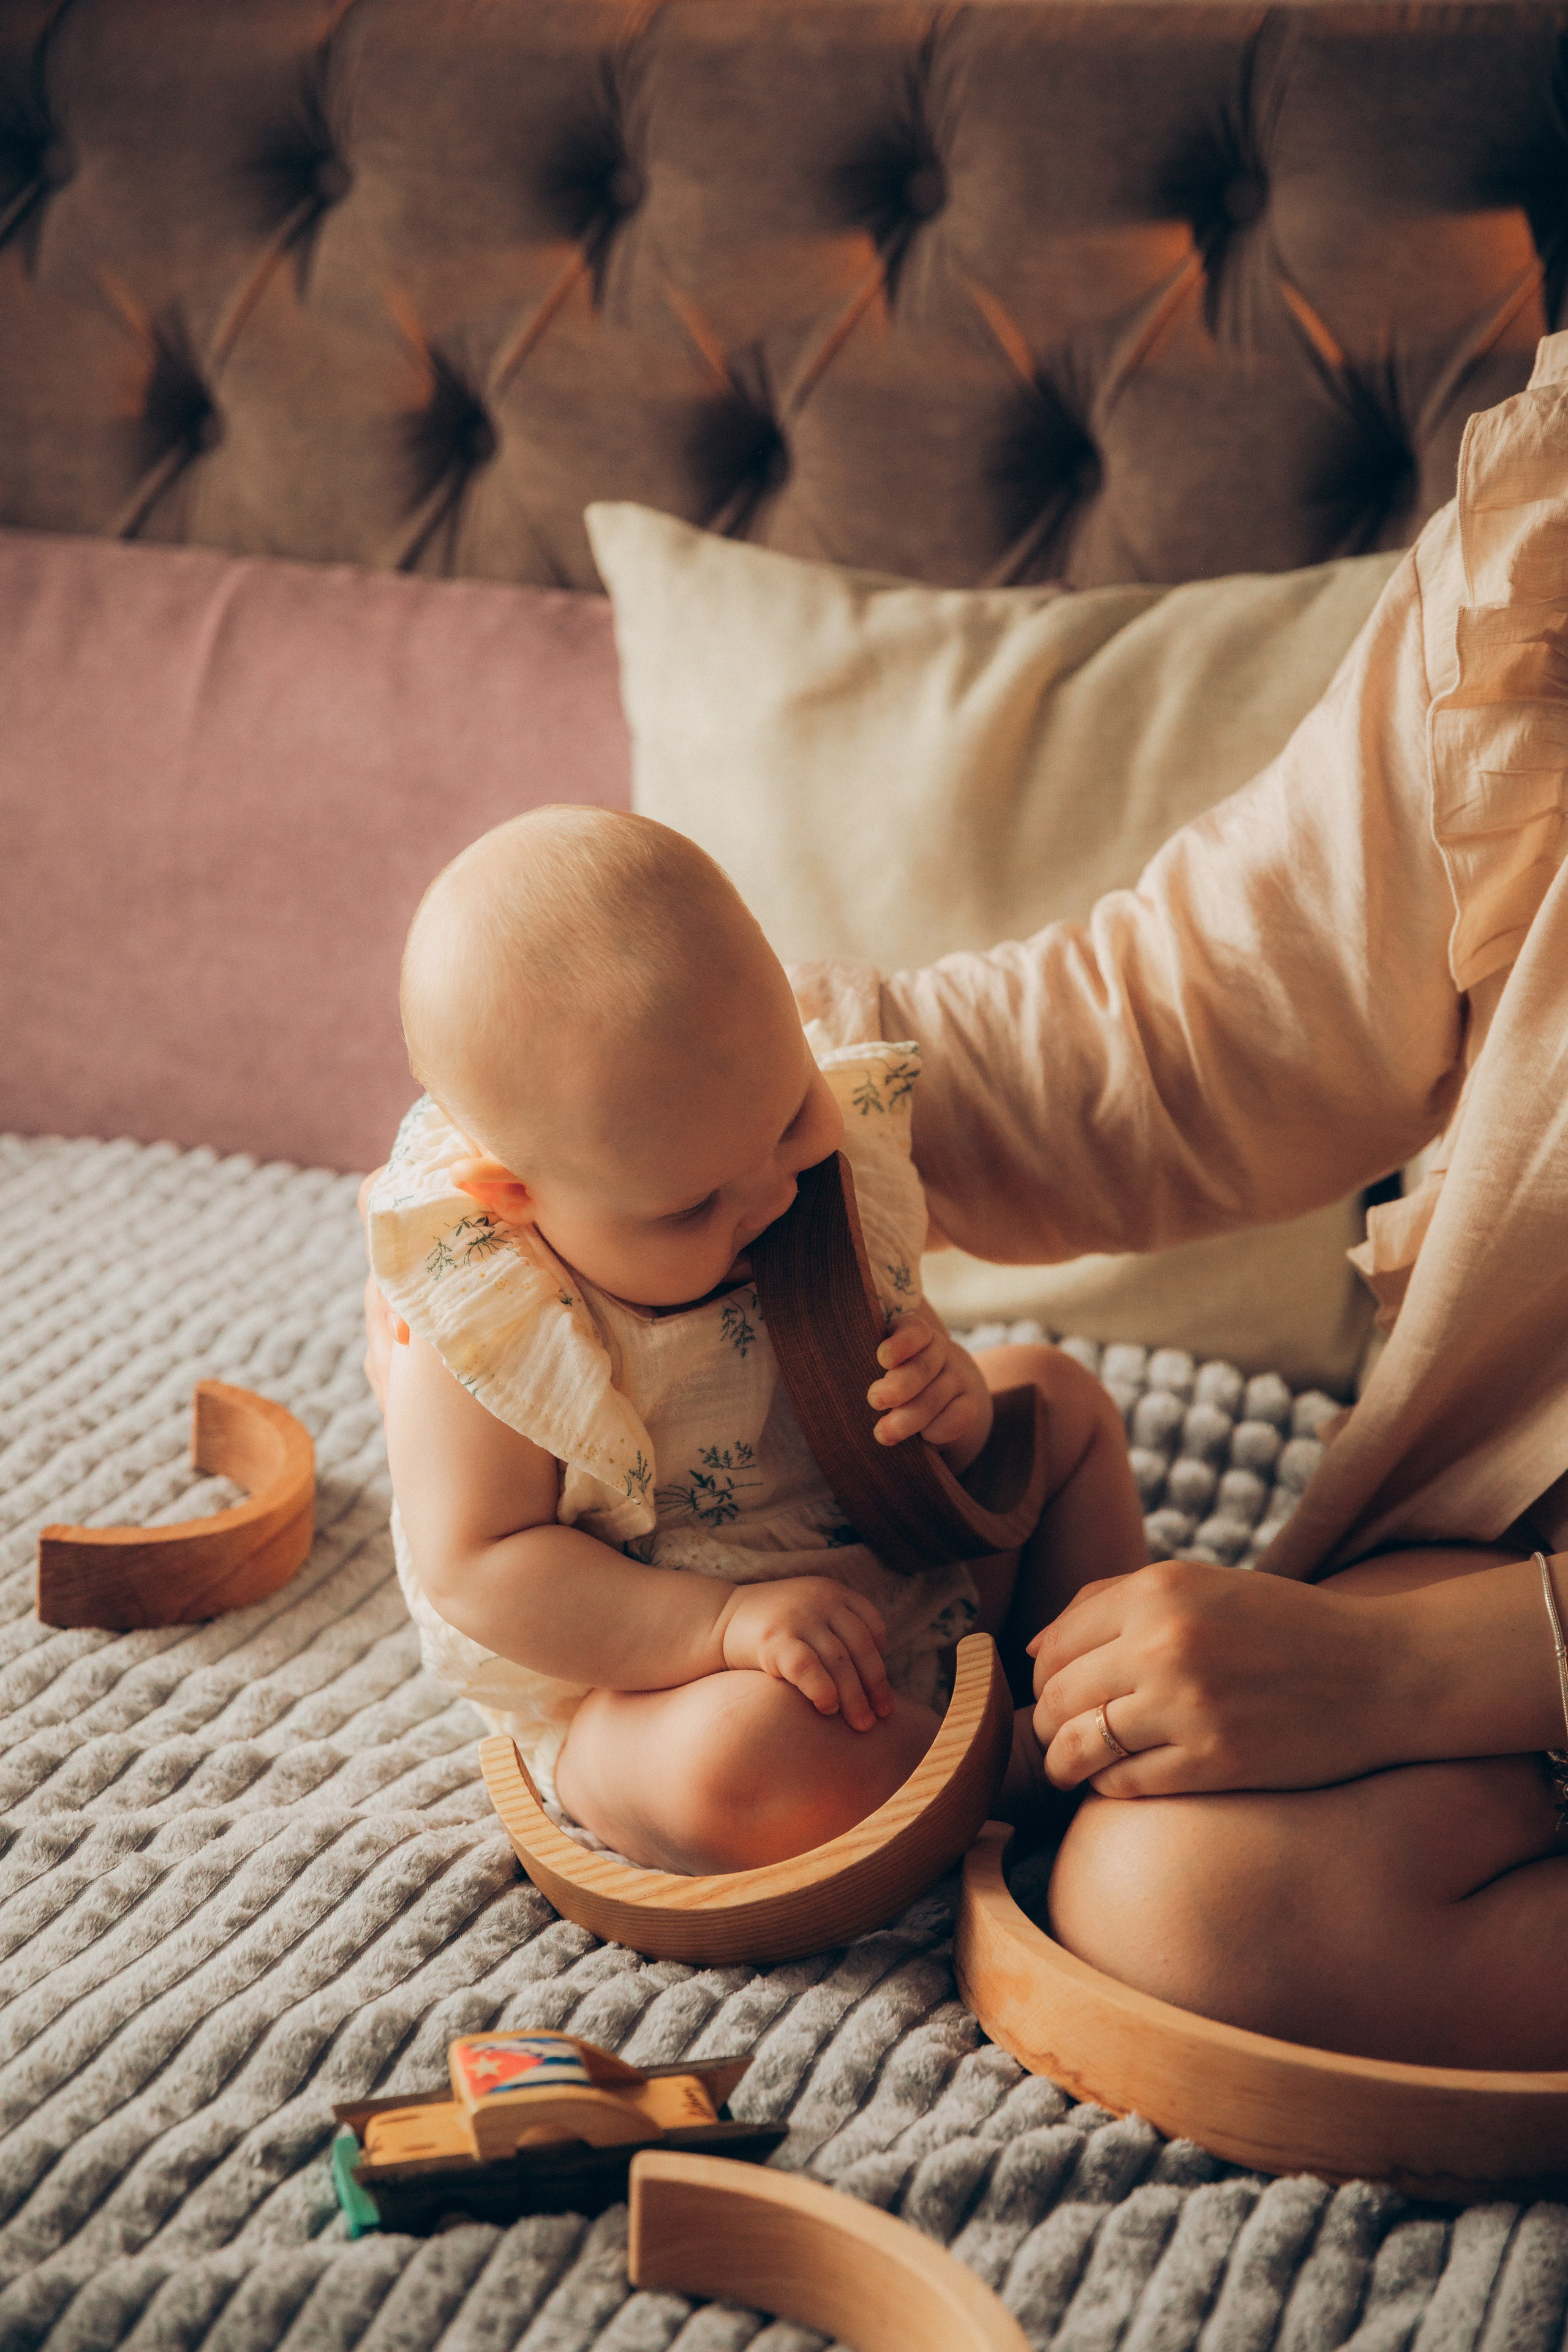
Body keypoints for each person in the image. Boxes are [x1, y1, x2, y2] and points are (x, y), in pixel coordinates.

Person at [368, 806, 1145, 1876]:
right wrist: (721, 1626)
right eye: (692, 1208)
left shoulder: (762, 1144)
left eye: (791, 1121)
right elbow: (480, 1568)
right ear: (514, 1195)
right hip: (667, 1677)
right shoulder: (494, 1316)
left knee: (1061, 1403)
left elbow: (885, 1371)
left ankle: (1088, 1671)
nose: (774, 1195)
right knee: (732, 1761)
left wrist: (950, 1402)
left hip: (907, 1574)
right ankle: (1016, 1769)